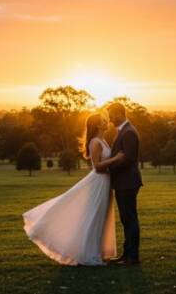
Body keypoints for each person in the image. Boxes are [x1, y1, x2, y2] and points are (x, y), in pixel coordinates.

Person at [22, 112, 124, 266]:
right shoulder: (95, 142)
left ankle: (95, 252)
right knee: (94, 216)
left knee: (100, 217)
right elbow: (97, 167)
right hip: (99, 182)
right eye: (104, 120)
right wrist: (116, 159)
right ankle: (87, 255)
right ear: (97, 125)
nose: (107, 122)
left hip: (105, 183)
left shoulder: (103, 141)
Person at [106, 101, 143, 265]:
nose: (109, 118)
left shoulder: (128, 132)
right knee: (126, 219)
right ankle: (126, 254)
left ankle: (132, 257)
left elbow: (127, 159)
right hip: (124, 182)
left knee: (129, 219)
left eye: (111, 114)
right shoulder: (124, 130)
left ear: (119, 113)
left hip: (127, 182)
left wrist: (109, 169)